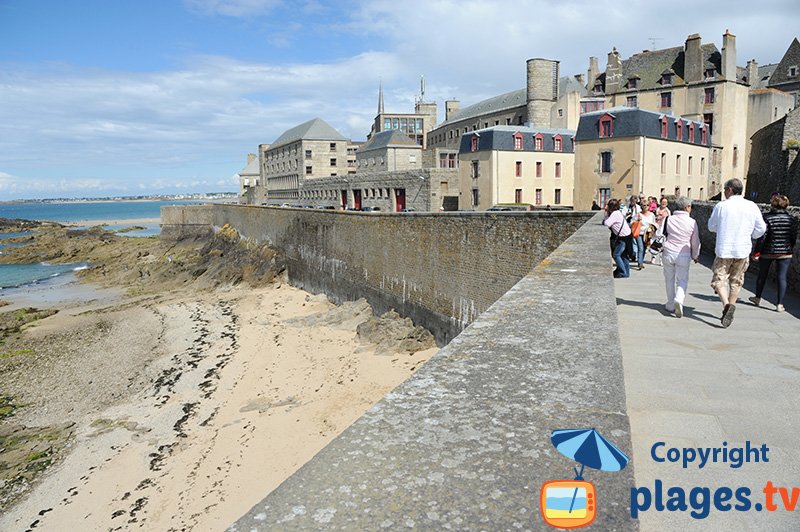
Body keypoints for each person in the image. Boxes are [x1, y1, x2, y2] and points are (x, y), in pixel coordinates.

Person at [708, 178, 767, 327]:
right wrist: (752, 235)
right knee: (736, 280)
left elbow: (711, 226)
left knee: (719, 279)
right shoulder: (751, 206)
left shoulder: (722, 206)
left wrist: (721, 229)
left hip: (724, 249)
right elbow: (761, 228)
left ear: (729, 190)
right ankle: (731, 304)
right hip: (742, 249)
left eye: (724, 190)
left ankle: (726, 305)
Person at [749, 194, 798, 312]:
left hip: (768, 251)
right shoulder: (791, 219)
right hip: (785, 252)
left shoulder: (766, 217)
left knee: (762, 275)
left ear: (773, 204)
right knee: (782, 277)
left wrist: (757, 252)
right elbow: (793, 236)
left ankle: (757, 297)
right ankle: (779, 304)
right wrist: (789, 248)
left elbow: (762, 237)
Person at [657, 196, 700, 318]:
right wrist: (695, 255)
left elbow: (659, 234)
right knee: (682, 279)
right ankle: (679, 299)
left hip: (669, 251)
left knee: (669, 279)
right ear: (687, 207)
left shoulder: (668, 219)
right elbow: (695, 242)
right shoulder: (692, 222)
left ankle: (670, 304)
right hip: (684, 253)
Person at [604, 198, 632, 278]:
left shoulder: (615, 214)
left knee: (616, 255)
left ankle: (623, 272)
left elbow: (607, 223)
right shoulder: (617, 213)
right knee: (623, 256)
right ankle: (626, 273)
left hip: (623, 237)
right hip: (626, 236)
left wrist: (606, 212)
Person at [631, 202, 655, 270]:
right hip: (639, 233)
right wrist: (638, 221)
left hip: (647, 234)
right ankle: (640, 263)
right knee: (640, 247)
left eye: (647, 205)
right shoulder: (638, 214)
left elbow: (653, 223)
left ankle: (641, 260)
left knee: (644, 248)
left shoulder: (652, 215)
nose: (646, 206)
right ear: (641, 206)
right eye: (644, 205)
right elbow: (631, 223)